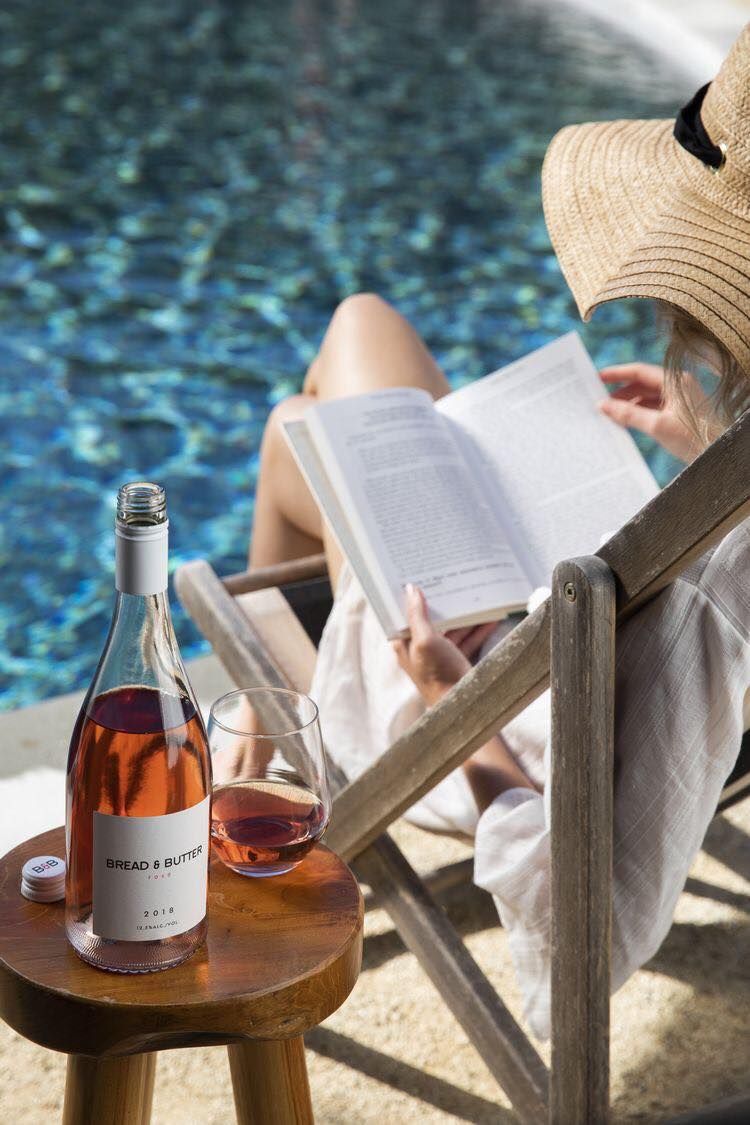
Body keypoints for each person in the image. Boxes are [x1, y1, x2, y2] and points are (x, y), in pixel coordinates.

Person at [249, 27, 750, 1037]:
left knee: (305, 414)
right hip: (548, 656)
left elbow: (593, 937)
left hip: (492, 713)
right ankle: (260, 746)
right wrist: (708, 447)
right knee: (348, 355)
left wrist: (453, 700)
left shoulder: (707, 604)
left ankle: (266, 757)